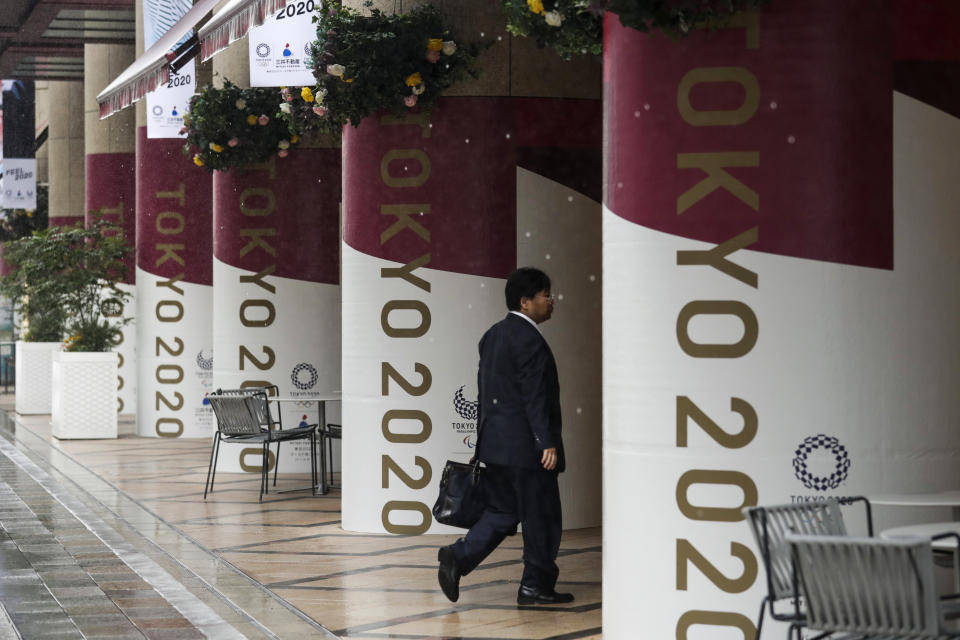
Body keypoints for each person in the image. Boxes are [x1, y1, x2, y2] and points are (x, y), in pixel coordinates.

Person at [437, 267, 573, 606]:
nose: (551, 301)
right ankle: (534, 587)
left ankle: (458, 557)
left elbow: (487, 394)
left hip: (497, 448)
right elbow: (533, 396)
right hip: (528, 451)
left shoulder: (492, 335)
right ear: (526, 302)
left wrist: (482, 444)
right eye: (545, 295)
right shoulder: (529, 340)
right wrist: (547, 442)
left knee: (501, 512)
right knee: (542, 517)